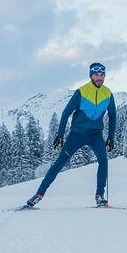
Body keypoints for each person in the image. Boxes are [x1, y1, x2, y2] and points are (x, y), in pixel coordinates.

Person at [24, 62, 117, 208]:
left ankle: (100, 196)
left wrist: (111, 137)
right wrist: (60, 135)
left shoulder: (108, 94)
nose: (99, 78)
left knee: (103, 161)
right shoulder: (81, 92)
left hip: (95, 135)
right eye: (96, 75)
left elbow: (112, 116)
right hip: (77, 134)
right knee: (59, 163)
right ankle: (38, 195)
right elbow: (66, 113)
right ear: (91, 76)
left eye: (102, 75)